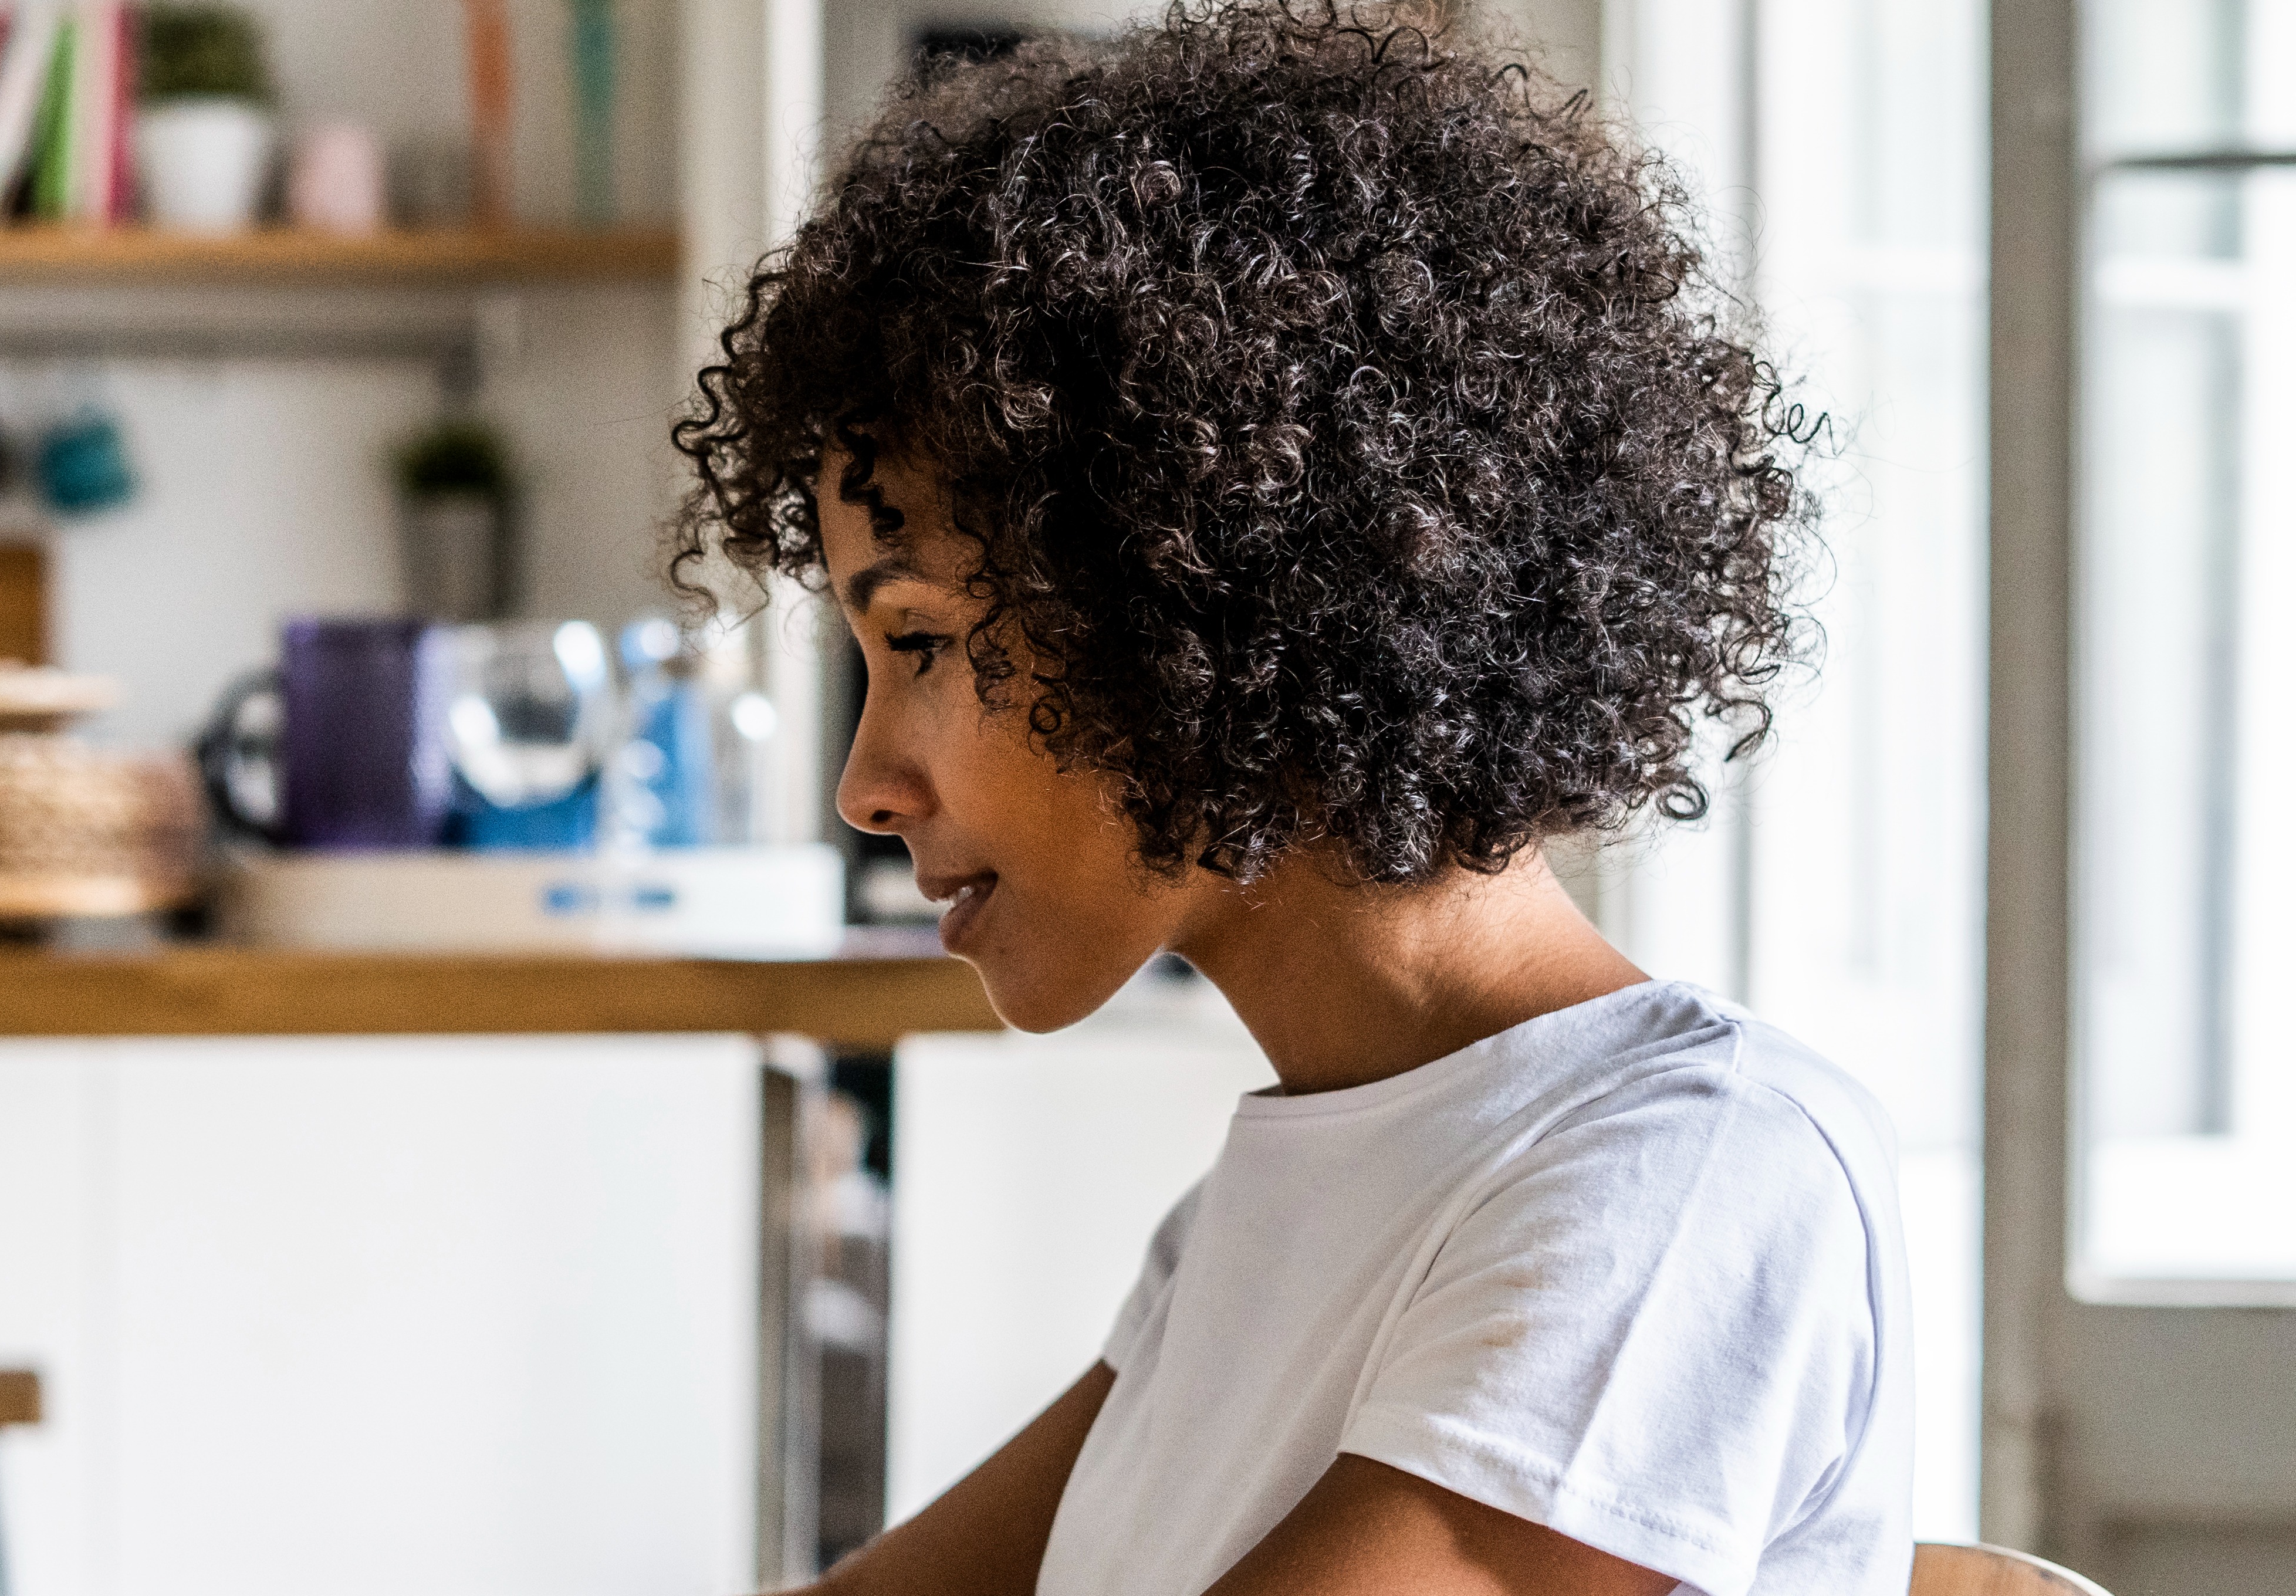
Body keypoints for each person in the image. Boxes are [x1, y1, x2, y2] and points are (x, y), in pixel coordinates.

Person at [665, 5, 1910, 1594]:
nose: (864, 787)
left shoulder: (1688, 1173)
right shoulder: (1249, 1222)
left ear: (1202, 590)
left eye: (921, 643)